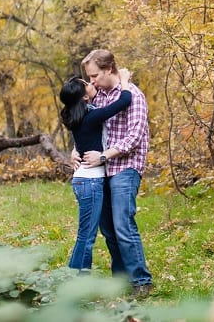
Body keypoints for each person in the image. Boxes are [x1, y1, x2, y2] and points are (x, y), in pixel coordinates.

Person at [80, 49, 153, 297]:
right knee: (108, 229)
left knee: (123, 225)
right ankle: (121, 280)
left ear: (109, 69)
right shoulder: (98, 98)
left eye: (94, 76)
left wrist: (104, 155)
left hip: (126, 167)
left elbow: (134, 138)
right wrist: (75, 150)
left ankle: (142, 281)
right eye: (89, 78)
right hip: (101, 172)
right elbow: (87, 128)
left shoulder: (133, 94)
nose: (92, 82)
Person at [60, 69, 132, 273]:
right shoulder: (91, 117)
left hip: (84, 181)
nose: (92, 85)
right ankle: (77, 279)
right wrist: (124, 80)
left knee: (87, 234)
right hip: (90, 182)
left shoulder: (78, 116)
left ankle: (78, 277)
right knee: (87, 236)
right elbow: (124, 100)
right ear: (84, 96)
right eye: (88, 84)